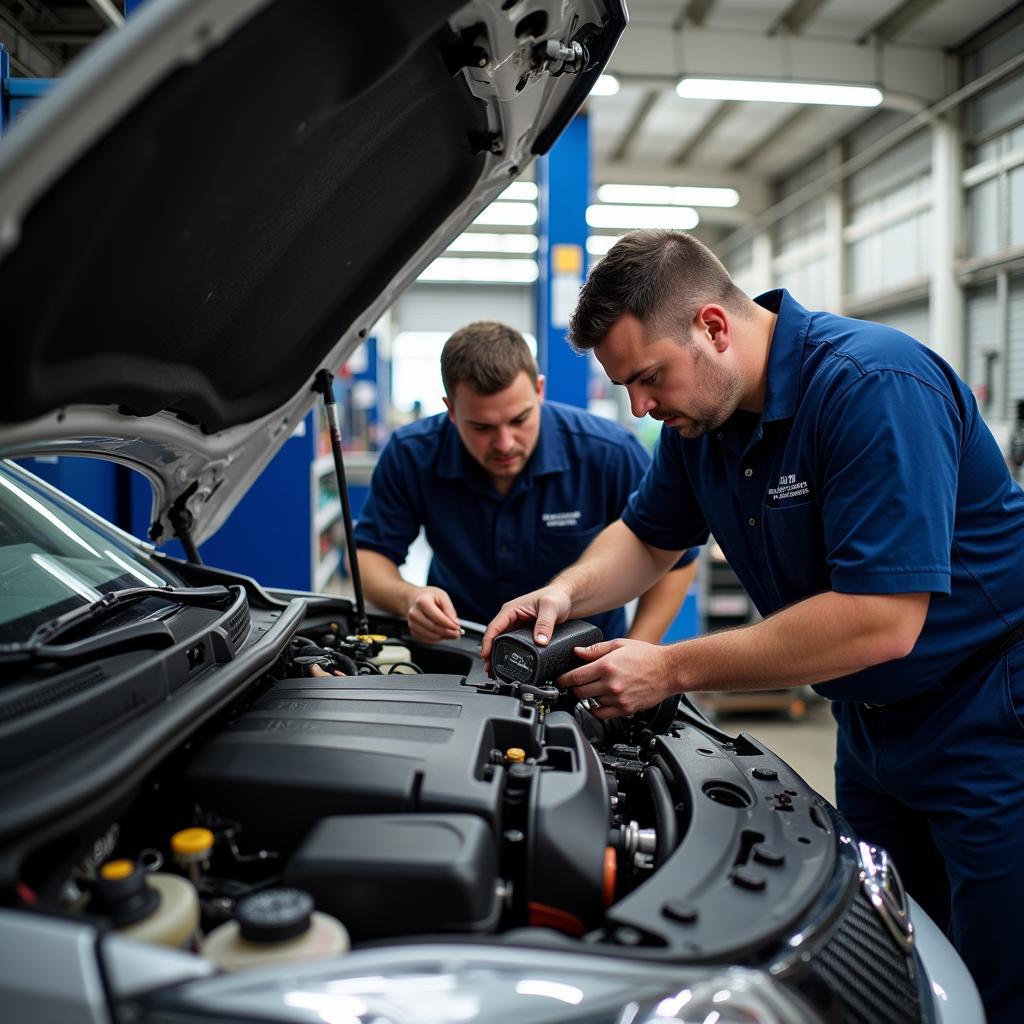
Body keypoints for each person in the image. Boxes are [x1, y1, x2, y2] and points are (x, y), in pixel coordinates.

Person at [481, 230, 1024, 1022]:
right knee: (891, 963)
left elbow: (880, 621)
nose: (640, 406)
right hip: (872, 728)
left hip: (987, 714)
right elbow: (647, 537)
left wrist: (669, 667)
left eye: (647, 377)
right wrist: (564, 592)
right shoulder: (703, 421)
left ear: (713, 326)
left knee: (996, 980)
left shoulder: (872, 386)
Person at [353, 321, 697, 644]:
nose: (504, 444)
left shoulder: (608, 453)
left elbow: (675, 561)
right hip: (458, 658)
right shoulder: (412, 454)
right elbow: (370, 555)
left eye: (519, 419)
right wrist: (408, 598)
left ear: (539, 390)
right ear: (452, 410)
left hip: (582, 666)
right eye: (482, 427)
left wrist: (632, 649)